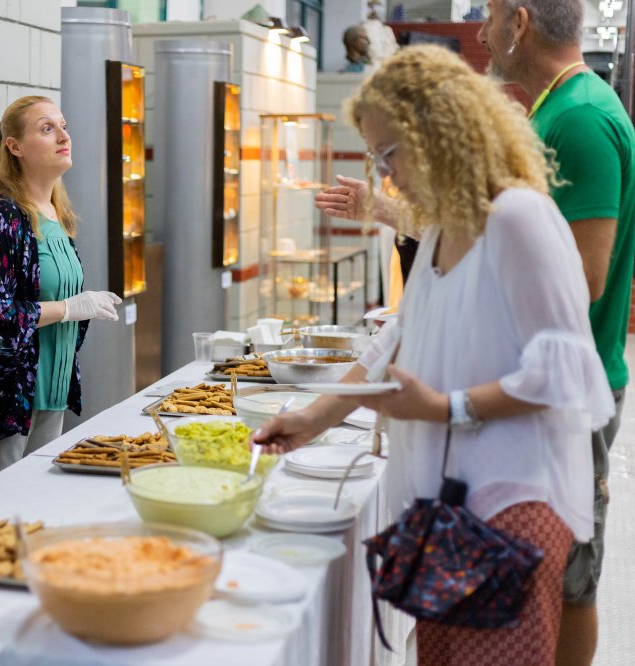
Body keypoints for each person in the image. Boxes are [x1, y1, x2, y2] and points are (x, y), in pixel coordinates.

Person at [254, 45, 615, 664]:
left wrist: (446, 407)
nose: (385, 174)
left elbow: (566, 368)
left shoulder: (519, 217)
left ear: (440, 133)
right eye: (376, 157)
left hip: (512, 508)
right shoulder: (447, 226)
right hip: (450, 509)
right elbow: (395, 338)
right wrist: (315, 417)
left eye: (389, 153)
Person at [477, 2, 635, 663]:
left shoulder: (580, 119)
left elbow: (586, 278)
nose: (482, 33)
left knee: (571, 580)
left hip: (572, 393)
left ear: (518, 21)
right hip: (542, 385)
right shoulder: (555, 110)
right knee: (541, 573)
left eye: (488, 16)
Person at [0, 96, 121, 492]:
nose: (63, 136)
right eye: (47, 128)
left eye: (63, 126)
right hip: (6, 400)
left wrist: (78, 306)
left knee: (34, 505)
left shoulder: (58, 214)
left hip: (50, 393)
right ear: (15, 146)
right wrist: (70, 308)